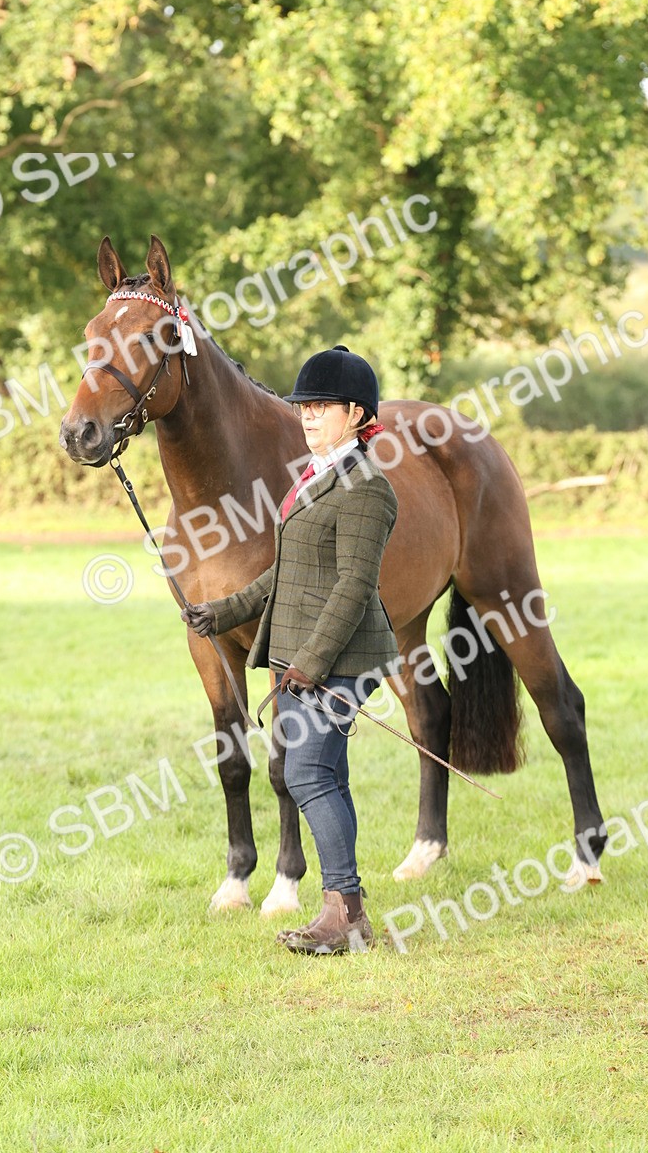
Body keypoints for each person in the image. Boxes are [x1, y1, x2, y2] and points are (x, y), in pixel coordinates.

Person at [181, 345, 398, 954]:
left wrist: (311, 663)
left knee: (304, 772)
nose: (308, 417)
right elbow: (287, 575)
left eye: (323, 407)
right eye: (304, 407)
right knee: (328, 774)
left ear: (356, 413)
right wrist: (218, 613)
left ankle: (342, 911)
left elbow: (354, 587)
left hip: (340, 663)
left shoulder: (366, 489)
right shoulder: (314, 478)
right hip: (303, 658)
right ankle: (347, 914)